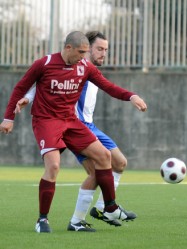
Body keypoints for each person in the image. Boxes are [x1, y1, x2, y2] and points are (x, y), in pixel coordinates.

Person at [0, 31, 147, 233]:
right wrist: (9, 117)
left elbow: (108, 87)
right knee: (53, 166)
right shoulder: (44, 64)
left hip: (71, 121)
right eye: (81, 52)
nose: (83, 57)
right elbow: (21, 88)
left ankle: (110, 206)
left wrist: (131, 96)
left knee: (105, 156)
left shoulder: (84, 67)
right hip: (47, 122)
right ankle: (42, 219)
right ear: (68, 48)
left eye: (86, 52)